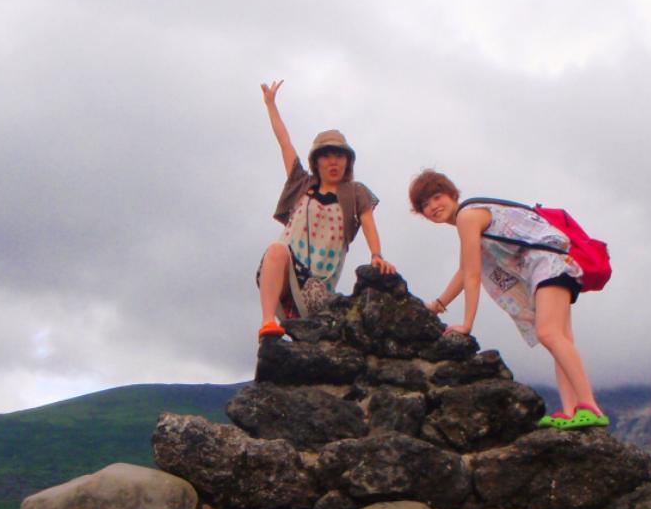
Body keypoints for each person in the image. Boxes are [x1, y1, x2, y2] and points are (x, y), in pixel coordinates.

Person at [409, 169, 607, 429]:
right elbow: (464, 270)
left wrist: (467, 325)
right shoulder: (472, 216)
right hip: (556, 265)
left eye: (436, 197)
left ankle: (589, 406)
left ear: (451, 194)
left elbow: (473, 275)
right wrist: (437, 306)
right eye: (425, 204)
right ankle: (571, 411)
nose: (433, 206)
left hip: (549, 265)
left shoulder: (468, 216)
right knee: (560, 339)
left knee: (549, 334)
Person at [256, 81, 395, 339]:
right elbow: (284, 143)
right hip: (286, 274)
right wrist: (271, 105)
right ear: (316, 161)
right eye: (327, 155)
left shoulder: (355, 193)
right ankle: (268, 324)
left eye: (339, 156)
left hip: (319, 285)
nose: (333, 161)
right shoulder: (301, 183)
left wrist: (377, 255)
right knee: (275, 250)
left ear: (347, 161)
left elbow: (367, 221)